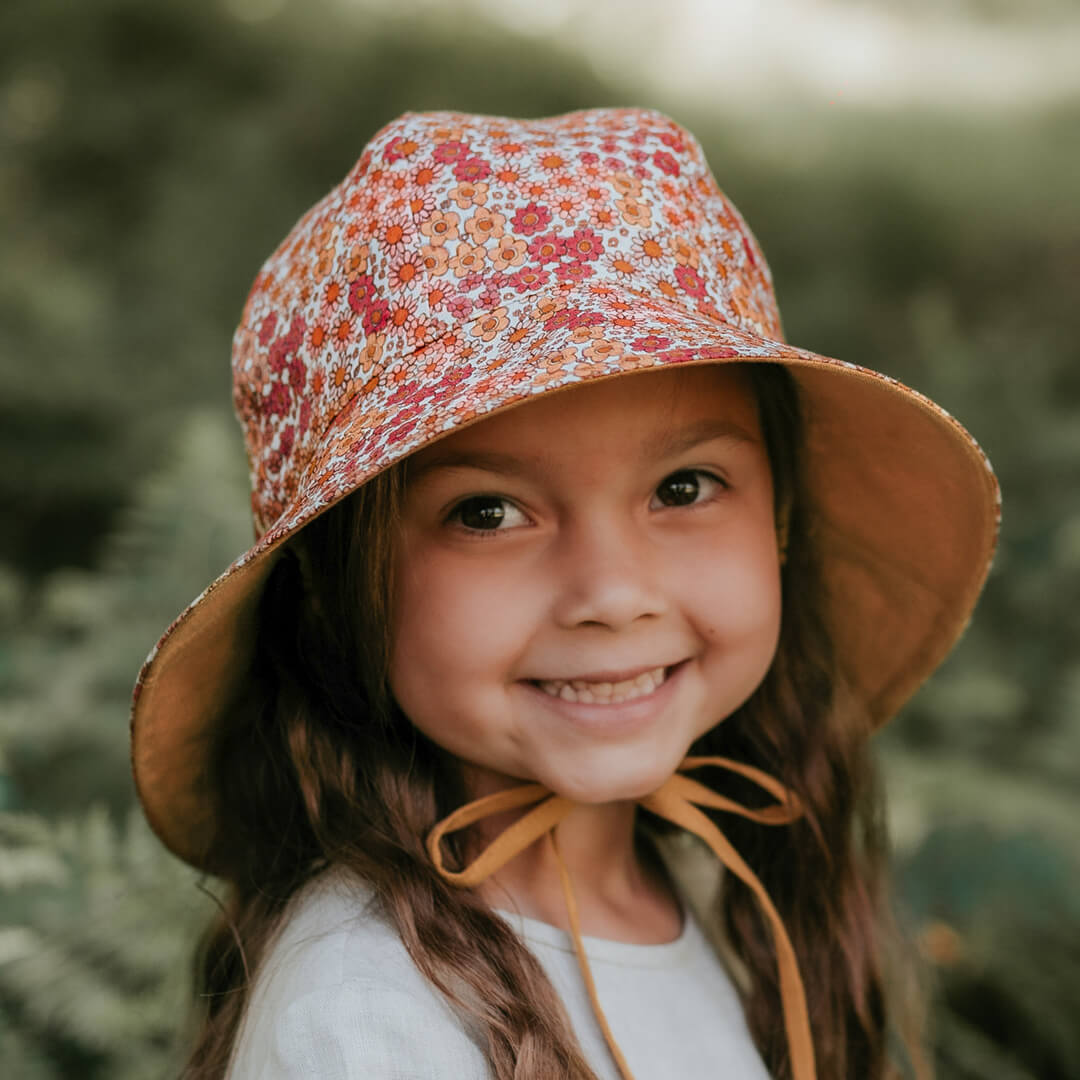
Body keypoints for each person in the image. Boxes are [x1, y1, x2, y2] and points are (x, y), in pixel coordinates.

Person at [130, 107, 1000, 1080]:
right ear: (337, 591)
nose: (613, 593)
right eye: (488, 512)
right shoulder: (367, 1016)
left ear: (781, 519)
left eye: (683, 489)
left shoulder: (709, 892)